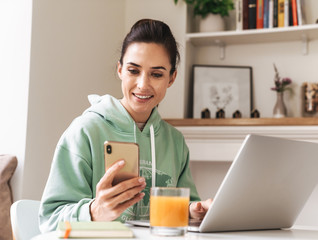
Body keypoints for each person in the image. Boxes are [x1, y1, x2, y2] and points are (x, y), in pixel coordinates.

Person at [39, 18, 212, 232]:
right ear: (120, 70)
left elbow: (181, 212)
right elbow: (49, 220)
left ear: (172, 78)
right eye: (133, 71)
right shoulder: (85, 131)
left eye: (156, 74)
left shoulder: (175, 142)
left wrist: (194, 211)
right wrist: (94, 212)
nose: (143, 84)